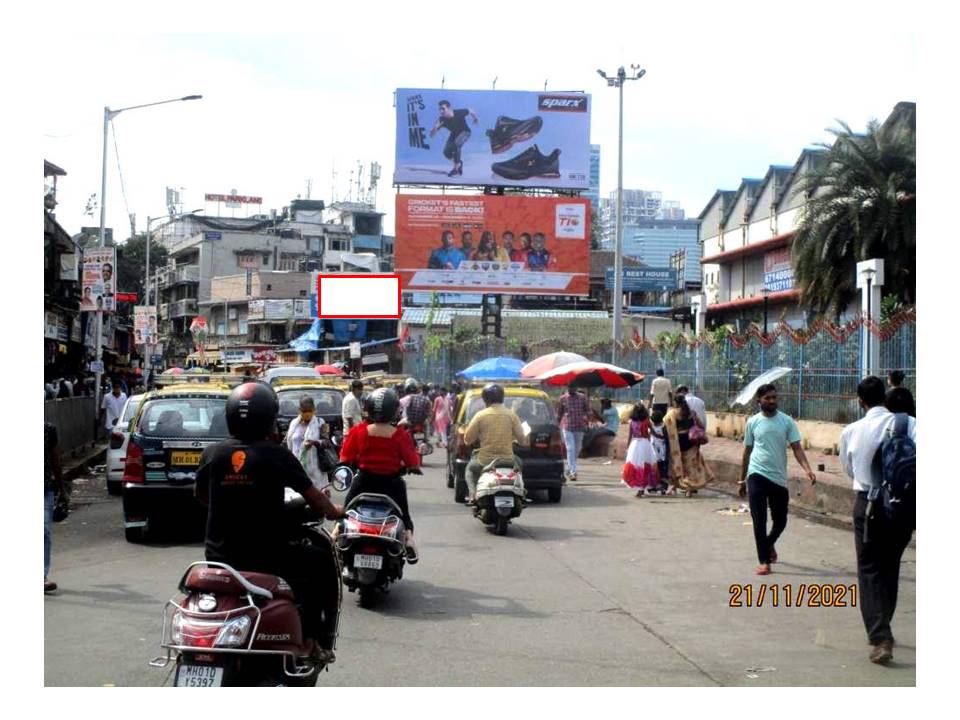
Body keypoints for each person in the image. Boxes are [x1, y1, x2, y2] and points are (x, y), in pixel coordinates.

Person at [195, 383, 344, 663]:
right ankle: (313, 638)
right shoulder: (277, 455)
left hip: (219, 559)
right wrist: (335, 511)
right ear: (268, 418)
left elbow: (203, 497)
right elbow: (315, 499)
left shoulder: (212, 454)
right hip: (268, 559)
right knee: (318, 564)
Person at [839, 375, 916, 665]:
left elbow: (848, 470)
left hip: (868, 504)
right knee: (890, 566)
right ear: (885, 397)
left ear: (860, 402)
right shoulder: (908, 424)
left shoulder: (851, 431)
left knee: (869, 569)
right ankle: (883, 626)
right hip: (902, 507)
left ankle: (880, 636)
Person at [738, 384, 817, 576]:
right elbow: (747, 451)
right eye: (767, 398)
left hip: (778, 478)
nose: (772, 401)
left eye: (774, 397)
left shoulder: (786, 421)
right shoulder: (753, 422)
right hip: (756, 474)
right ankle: (764, 561)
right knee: (759, 519)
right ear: (759, 401)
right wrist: (741, 480)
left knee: (780, 520)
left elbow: (797, 447)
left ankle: (769, 542)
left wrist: (807, 469)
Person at [339, 388, 421, 563]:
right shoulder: (400, 435)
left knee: (345, 513)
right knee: (404, 516)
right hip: (391, 484)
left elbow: (345, 457)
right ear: (394, 411)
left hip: (363, 482)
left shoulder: (359, 431)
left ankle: (334, 536)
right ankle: (409, 541)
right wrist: (412, 467)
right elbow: (412, 462)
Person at [462, 383, 527, 504]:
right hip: (508, 459)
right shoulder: (511, 415)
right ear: (502, 397)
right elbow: (522, 440)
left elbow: (468, 439)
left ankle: (472, 494)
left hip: (485, 461)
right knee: (520, 463)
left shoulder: (480, 415)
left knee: (470, 469)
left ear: (485, 398)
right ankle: (521, 490)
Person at [663, 396, 709, 497]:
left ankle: (673, 487)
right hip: (690, 442)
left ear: (675, 403)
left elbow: (665, 425)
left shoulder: (672, 414)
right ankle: (688, 490)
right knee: (690, 468)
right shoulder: (691, 413)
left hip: (677, 443)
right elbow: (701, 426)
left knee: (677, 465)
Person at [285, 396, 331, 494]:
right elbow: (286, 443)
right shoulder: (293, 424)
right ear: (299, 410)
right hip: (297, 468)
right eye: (304, 411)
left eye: (309, 410)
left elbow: (327, 443)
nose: (307, 413)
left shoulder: (320, 423)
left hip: (315, 470)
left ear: (314, 409)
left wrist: (315, 442)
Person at [429, 100, 479, 177]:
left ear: (449, 108)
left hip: (465, 132)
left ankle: (455, 169)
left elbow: (471, 110)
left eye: (443, 108)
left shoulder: (459, 113)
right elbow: (431, 135)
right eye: (440, 109)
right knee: (446, 153)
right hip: (454, 134)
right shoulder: (441, 120)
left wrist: (475, 118)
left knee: (456, 144)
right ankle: (459, 163)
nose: (441, 111)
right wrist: (435, 128)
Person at [621, 404, 661, 497]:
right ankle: (642, 488)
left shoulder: (632, 422)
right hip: (645, 444)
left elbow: (630, 435)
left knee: (636, 465)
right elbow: (653, 432)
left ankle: (640, 489)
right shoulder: (647, 421)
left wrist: (628, 446)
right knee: (644, 465)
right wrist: (661, 436)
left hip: (635, 444)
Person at [44, 422, 65, 594]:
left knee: (44, 532)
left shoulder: (49, 430)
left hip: (45, 488)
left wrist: (61, 488)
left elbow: (55, 458)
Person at [556, 384, 591, 481]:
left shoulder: (583, 397)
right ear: (567, 387)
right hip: (567, 427)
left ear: (576, 388)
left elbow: (588, 411)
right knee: (570, 449)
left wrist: (587, 418)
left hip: (580, 426)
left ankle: (569, 467)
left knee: (577, 449)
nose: (572, 389)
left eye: (573, 387)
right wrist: (557, 426)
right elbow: (559, 414)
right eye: (570, 387)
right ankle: (573, 472)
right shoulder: (563, 399)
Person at [649, 409, 669, 493]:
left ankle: (653, 486)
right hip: (662, 452)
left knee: (654, 469)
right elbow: (666, 439)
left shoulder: (651, 428)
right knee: (663, 470)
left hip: (654, 452)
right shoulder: (664, 427)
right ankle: (663, 486)